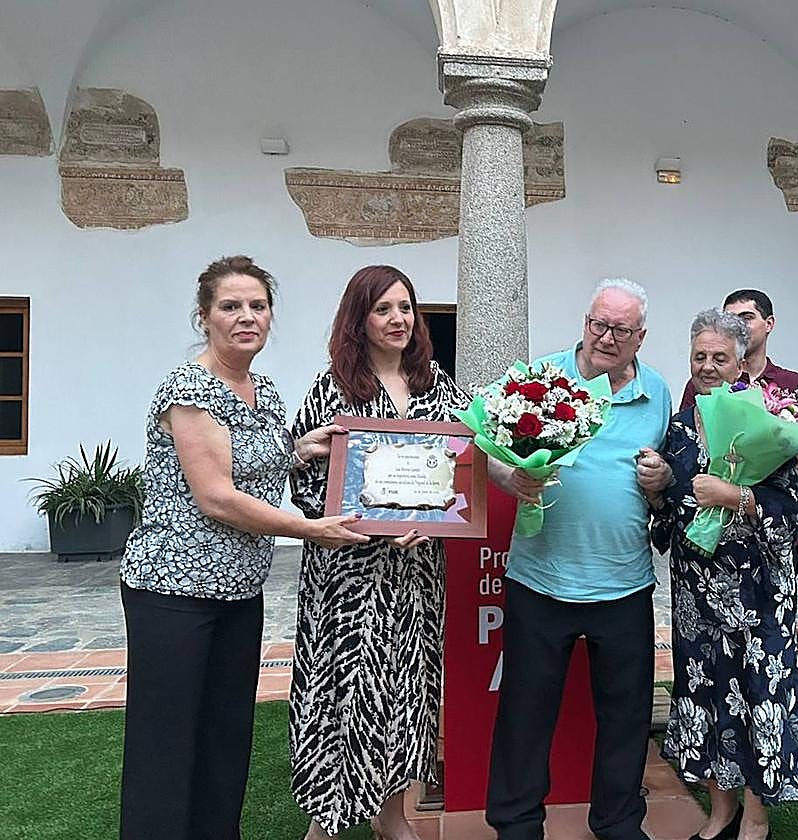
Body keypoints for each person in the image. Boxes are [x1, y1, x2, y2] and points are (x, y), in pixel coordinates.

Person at [119, 255, 367, 840]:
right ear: (204, 317)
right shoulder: (187, 389)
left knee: (226, 732)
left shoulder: (265, 390)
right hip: (172, 590)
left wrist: (302, 446)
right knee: (167, 739)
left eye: (258, 306)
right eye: (231, 306)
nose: (246, 317)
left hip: (239, 588)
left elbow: (255, 459)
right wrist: (312, 530)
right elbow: (218, 497)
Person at [485, 278, 673, 840]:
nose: (606, 338)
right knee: (525, 710)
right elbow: (490, 455)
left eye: (621, 329)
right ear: (585, 321)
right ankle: (516, 823)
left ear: (640, 337)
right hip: (541, 578)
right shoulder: (537, 380)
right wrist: (512, 475)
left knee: (626, 713)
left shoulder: (657, 392)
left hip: (623, 581)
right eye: (599, 324)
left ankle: (617, 820)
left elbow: (665, 475)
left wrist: (662, 481)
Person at [288, 265, 471, 840]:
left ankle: (394, 816)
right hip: (348, 577)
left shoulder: (439, 386)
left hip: (415, 575)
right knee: (342, 691)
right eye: (383, 309)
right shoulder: (331, 389)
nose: (398, 319)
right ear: (359, 319)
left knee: (408, 693)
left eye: (406, 308)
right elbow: (309, 486)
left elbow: (467, 464)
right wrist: (373, 526)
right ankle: (326, 822)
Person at [647, 309, 798, 840]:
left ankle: (757, 815)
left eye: (720, 356)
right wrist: (656, 489)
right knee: (707, 693)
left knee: (758, 694)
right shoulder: (678, 427)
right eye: (699, 356)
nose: (708, 366)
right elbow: (671, 510)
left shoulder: (764, 417)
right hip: (698, 594)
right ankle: (720, 811)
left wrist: (736, 496)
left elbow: (788, 509)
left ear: (742, 359)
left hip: (758, 591)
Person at [678, 289, 798, 414]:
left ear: (769, 324)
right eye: (730, 319)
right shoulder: (706, 380)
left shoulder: (796, 383)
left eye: (746, 318)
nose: (738, 325)